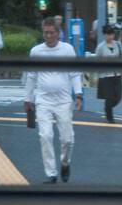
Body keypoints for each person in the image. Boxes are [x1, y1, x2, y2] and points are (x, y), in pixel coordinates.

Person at [24, 17, 83, 183]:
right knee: (45, 136)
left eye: (51, 32)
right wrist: (27, 99)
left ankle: (65, 162)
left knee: (67, 139)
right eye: (45, 33)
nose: (48, 36)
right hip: (43, 100)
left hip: (64, 101)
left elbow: (75, 74)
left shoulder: (67, 50)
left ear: (58, 33)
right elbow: (31, 76)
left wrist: (78, 95)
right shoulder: (36, 52)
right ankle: (51, 173)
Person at [93, 23, 122, 123]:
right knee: (109, 97)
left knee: (118, 97)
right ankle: (110, 117)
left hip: (117, 74)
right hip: (106, 76)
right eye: (108, 34)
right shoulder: (100, 47)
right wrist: (96, 76)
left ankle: (107, 108)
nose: (110, 36)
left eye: (111, 34)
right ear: (104, 35)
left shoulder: (118, 44)